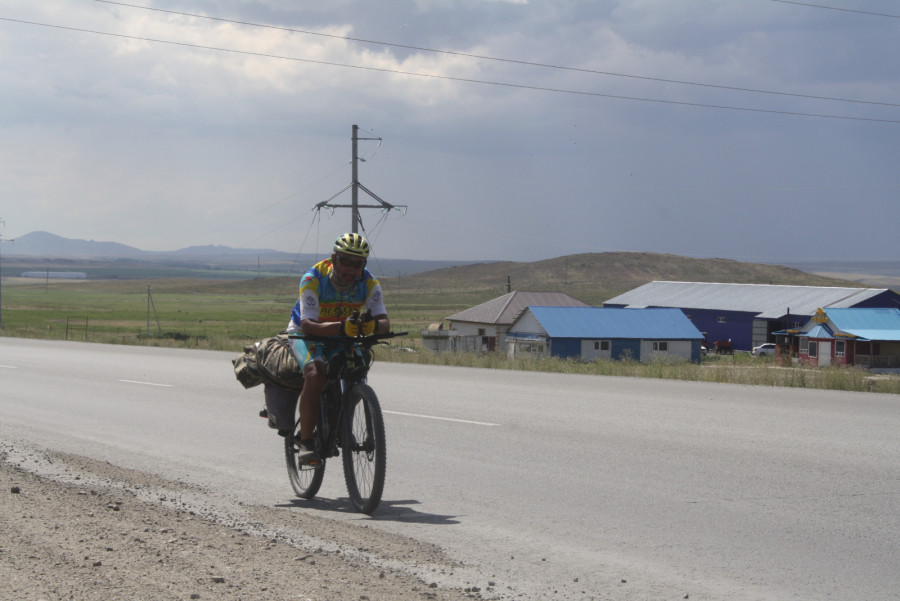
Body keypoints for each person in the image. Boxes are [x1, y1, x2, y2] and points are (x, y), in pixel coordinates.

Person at [284, 232, 390, 465]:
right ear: (334, 258)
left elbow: (384, 323)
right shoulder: (313, 278)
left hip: (343, 331)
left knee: (357, 368)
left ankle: (342, 424)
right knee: (315, 374)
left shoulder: (369, 283)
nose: (352, 270)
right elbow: (309, 325)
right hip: (305, 332)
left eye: (358, 264)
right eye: (346, 262)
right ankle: (306, 442)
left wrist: (372, 325)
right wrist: (341, 328)